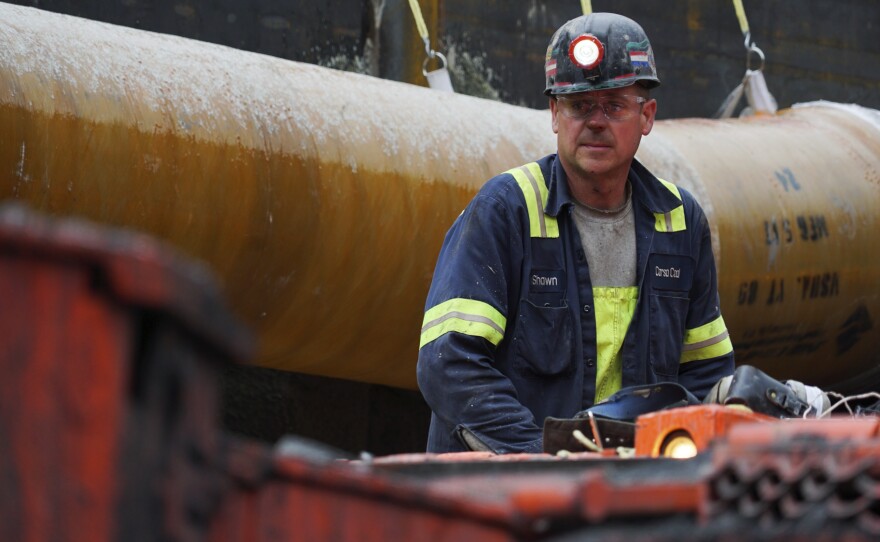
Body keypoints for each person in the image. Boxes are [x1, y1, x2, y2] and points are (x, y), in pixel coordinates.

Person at [417, 12, 735, 454]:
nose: (596, 121)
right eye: (579, 105)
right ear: (555, 114)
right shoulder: (506, 211)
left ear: (646, 116)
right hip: (505, 484)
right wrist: (542, 456)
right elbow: (449, 365)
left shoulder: (679, 221)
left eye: (615, 106)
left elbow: (706, 373)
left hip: (629, 482)